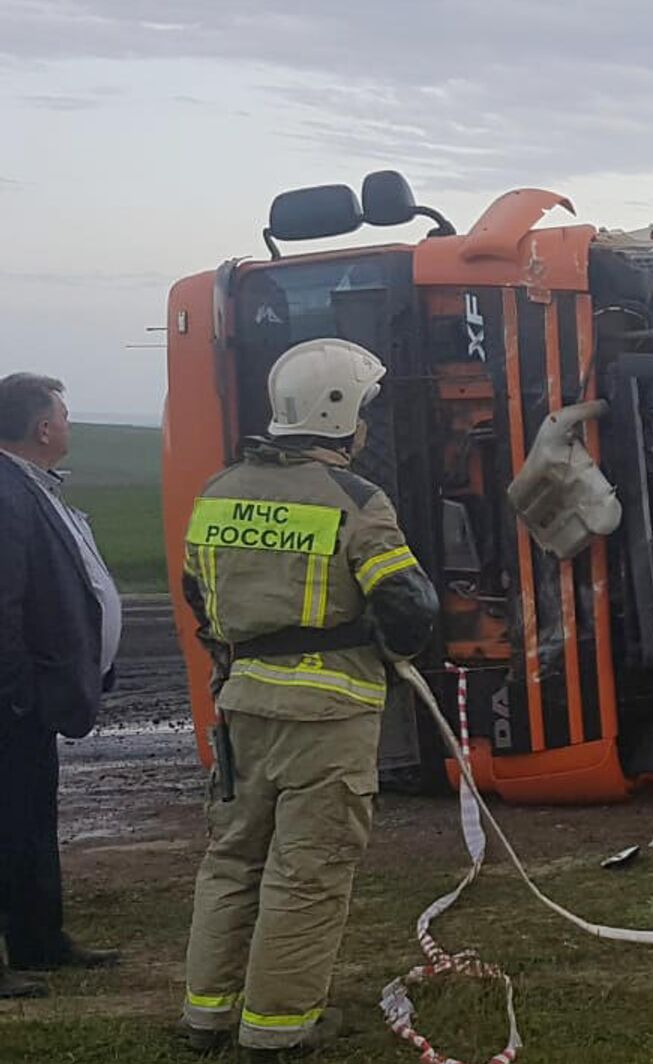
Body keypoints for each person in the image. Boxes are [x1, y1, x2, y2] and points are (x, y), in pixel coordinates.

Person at [175, 339, 438, 1056]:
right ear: (342, 412)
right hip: (328, 716)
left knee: (231, 860)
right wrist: (393, 653)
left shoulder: (219, 489)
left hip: (242, 706)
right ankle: (279, 1030)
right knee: (307, 873)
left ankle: (206, 1016)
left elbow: (198, 597)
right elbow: (409, 606)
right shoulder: (355, 499)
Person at [0, 372, 122, 999]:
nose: (70, 425)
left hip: (30, 698)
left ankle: (39, 941)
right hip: (13, 700)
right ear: (43, 428)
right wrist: (19, 691)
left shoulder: (31, 487)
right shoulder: (6, 492)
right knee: (8, 823)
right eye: (66, 416)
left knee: (29, 820)